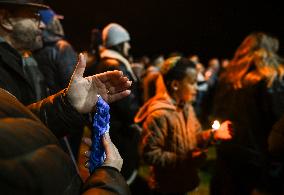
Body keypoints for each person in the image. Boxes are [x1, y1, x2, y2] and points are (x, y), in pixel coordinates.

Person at [0, 0, 132, 193]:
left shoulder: (18, 61)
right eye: (34, 16)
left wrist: (67, 104)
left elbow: (17, 127)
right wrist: (109, 176)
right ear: (5, 19)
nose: (44, 25)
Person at [135, 56, 233, 194]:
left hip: (184, 181)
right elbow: (149, 153)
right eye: (192, 83)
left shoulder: (187, 108)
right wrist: (184, 159)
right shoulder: (160, 115)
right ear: (175, 85)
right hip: (166, 186)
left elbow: (196, 136)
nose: (196, 88)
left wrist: (212, 135)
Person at [211, 32, 284, 195]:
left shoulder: (227, 77)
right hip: (260, 163)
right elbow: (278, 126)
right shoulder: (273, 78)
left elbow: (217, 115)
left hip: (228, 158)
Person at [94, 23, 142, 184]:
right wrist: (137, 120)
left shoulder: (104, 61)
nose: (129, 46)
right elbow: (126, 104)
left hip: (109, 126)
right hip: (120, 130)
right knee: (123, 173)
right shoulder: (116, 65)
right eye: (126, 42)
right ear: (119, 43)